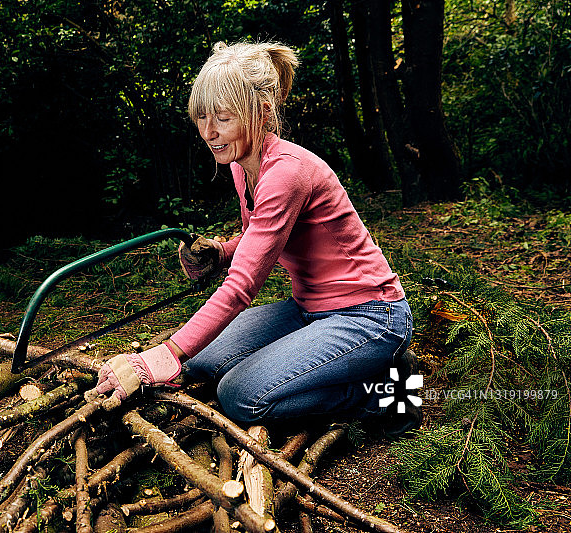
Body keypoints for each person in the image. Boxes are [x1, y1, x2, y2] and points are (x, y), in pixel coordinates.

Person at [92, 41, 419, 436]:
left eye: (223, 118)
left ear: (262, 112)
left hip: (369, 316)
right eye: (202, 117)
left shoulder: (287, 172)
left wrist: (166, 353)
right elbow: (258, 235)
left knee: (240, 395)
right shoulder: (242, 163)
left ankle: (385, 392)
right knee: (201, 365)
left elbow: (242, 287)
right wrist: (220, 252)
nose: (210, 132)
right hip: (307, 309)